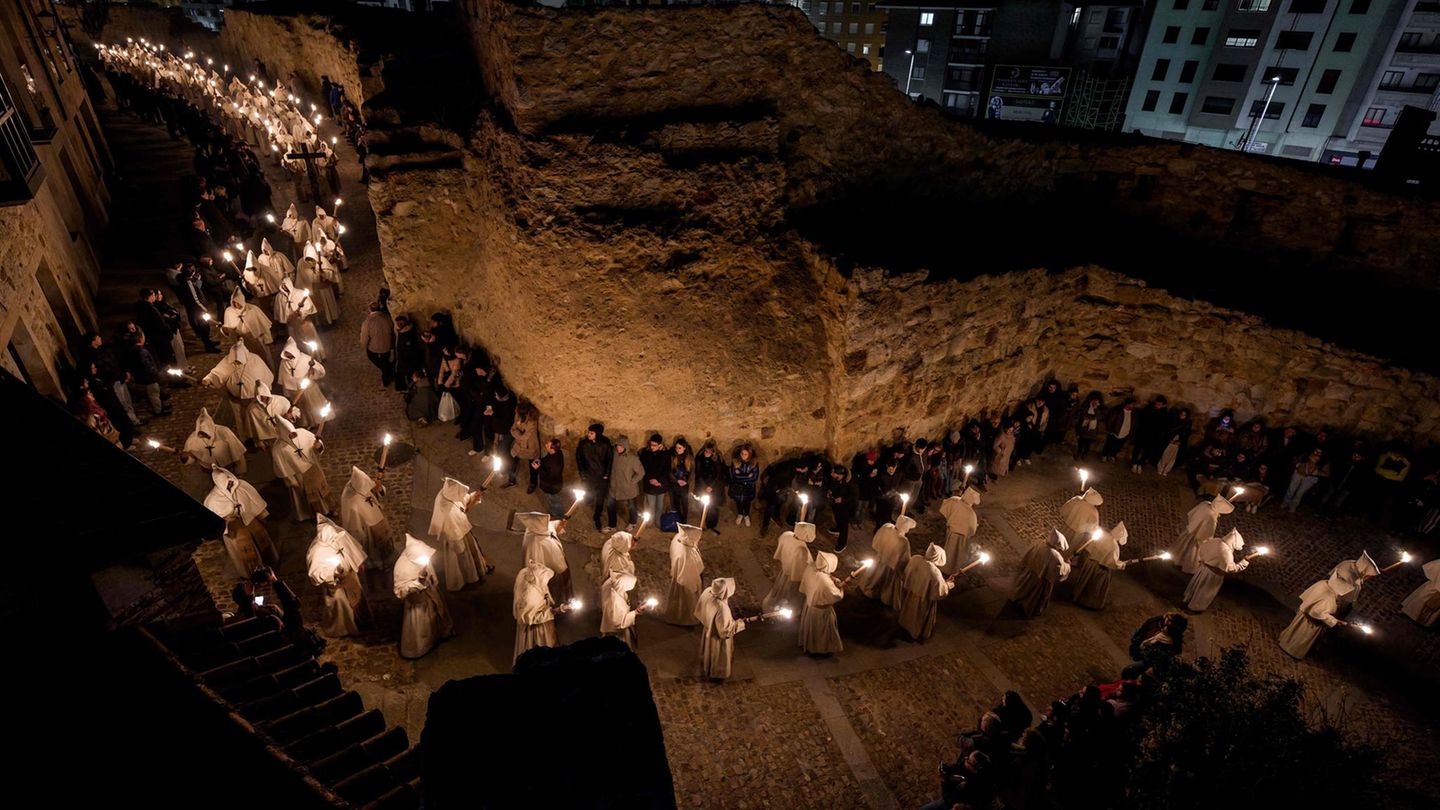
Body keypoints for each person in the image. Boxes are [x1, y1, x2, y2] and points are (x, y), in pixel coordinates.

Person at [203, 466, 278, 578]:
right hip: (234, 527)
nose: (230, 486)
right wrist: (225, 524)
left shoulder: (241, 485)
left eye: (230, 483)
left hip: (250, 519)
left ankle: (270, 565)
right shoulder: (212, 500)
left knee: (262, 542)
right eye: (227, 485)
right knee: (245, 551)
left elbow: (254, 500)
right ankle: (251, 573)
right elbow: (213, 522)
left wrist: (262, 515)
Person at [201, 342, 276, 445]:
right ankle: (247, 438)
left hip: (255, 398)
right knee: (241, 419)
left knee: (258, 419)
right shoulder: (229, 361)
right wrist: (208, 379)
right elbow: (218, 372)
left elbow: (264, 374)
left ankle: (262, 437)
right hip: (237, 399)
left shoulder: (255, 359)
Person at [307, 515, 369, 638]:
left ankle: (362, 621)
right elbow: (315, 574)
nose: (335, 540)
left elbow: (351, 548)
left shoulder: (338, 536)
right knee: (342, 604)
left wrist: (358, 561)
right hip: (336, 585)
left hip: (350, 577)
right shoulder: (316, 551)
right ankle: (344, 628)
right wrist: (333, 573)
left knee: (358, 596)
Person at [393, 534, 454, 659]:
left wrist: (431, 580)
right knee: (421, 627)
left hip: (430, 594)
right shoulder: (402, 568)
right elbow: (400, 591)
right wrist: (418, 583)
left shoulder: (421, 558)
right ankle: (421, 648)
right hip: (417, 603)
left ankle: (438, 634)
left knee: (435, 614)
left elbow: (430, 572)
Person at [428, 477, 490, 591]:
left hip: (462, 532)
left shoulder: (448, 493)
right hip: (456, 538)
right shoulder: (446, 510)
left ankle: (477, 572)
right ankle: (468, 580)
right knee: (463, 561)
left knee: (471, 554)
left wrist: (474, 496)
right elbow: (452, 532)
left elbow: (463, 500)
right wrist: (459, 547)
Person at [1279, 570, 1354, 659]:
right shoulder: (1329, 597)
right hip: (1311, 623)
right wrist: (1336, 621)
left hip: (1303, 615)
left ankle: (1285, 642)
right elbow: (1319, 613)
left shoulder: (1323, 583)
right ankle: (1292, 650)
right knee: (1301, 637)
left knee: (1294, 631)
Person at [340, 465, 394, 568]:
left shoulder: (361, 484)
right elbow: (353, 522)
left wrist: (379, 489)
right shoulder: (350, 499)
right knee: (372, 546)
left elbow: (375, 490)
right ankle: (376, 563)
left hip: (376, 516)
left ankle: (385, 558)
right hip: (366, 527)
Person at [1183, 529, 1249, 612]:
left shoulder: (1215, 540)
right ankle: (1195, 607)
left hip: (1204, 569)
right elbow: (1230, 569)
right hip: (1213, 576)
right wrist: (1245, 561)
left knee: (1197, 586)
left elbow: (1202, 548)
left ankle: (1187, 599)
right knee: (1204, 592)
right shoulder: (1226, 552)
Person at [898, 544, 953, 642]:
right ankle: (915, 633)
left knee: (908, 611)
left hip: (911, 593)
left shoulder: (916, 559)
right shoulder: (934, 572)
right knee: (918, 616)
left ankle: (904, 624)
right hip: (923, 599)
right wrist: (948, 584)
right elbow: (940, 592)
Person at [1070, 521, 1129, 610]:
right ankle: (1088, 603)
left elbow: (1090, 547)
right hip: (1100, 568)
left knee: (1084, 580)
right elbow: (1112, 562)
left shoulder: (1103, 536)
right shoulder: (1113, 545)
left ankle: (1077, 596)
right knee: (1094, 586)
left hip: (1090, 563)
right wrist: (1122, 564)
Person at [1010, 529, 1069, 618]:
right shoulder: (1056, 556)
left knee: (1023, 589)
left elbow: (1028, 554)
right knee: (1032, 597)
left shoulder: (1039, 544)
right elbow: (1058, 572)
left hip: (1029, 574)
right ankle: (1027, 609)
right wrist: (1067, 566)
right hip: (1040, 582)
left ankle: (1017, 600)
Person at [859, 514, 915, 607]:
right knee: (882, 580)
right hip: (889, 565)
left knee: (873, 575)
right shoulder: (904, 541)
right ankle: (876, 594)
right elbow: (904, 559)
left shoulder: (887, 527)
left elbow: (877, 539)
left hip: (879, 558)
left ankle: (868, 589)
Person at [696, 577, 746, 680]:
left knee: (708, 651)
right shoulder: (721, 607)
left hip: (708, 629)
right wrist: (740, 623)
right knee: (718, 654)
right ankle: (717, 673)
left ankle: (707, 666)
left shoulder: (707, 592)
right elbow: (725, 631)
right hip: (716, 635)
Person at [276, 337, 330, 429]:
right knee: (303, 409)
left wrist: (313, 371)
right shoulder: (284, 363)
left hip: (308, 389)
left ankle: (319, 420)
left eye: (289, 352)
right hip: (295, 391)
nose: (287, 355)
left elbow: (320, 370)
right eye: (286, 353)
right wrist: (287, 389)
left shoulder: (305, 358)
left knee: (313, 405)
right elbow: (284, 377)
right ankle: (308, 422)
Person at [798, 551, 845, 655]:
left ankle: (811, 645)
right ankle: (820, 649)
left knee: (811, 628)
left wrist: (832, 579)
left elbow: (823, 577)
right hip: (821, 611)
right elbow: (836, 595)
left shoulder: (811, 567)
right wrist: (840, 587)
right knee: (821, 632)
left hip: (810, 606)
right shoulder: (825, 582)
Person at [520, 511, 572, 603]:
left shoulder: (533, 529)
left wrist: (563, 521)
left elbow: (554, 527)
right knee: (547, 586)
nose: (549, 520)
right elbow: (559, 563)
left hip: (542, 570)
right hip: (540, 572)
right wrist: (564, 570)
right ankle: (566, 598)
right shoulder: (540, 541)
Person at [513, 560, 558, 664]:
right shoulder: (530, 597)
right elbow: (531, 618)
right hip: (536, 629)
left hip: (540, 621)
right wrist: (557, 610)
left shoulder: (531, 580)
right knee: (538, 651)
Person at [763, 521, 815, 611]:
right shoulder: (802, 549)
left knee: (781, 587)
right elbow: (802, 566)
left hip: (785, 568)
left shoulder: (787, 534)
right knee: (789, 592)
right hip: (793, 574)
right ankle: (785, 607)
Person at [181, 407, 247, 477]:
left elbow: (236, 451)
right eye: (202, 433)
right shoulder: (193, 439)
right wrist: (186, 456)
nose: (204, 434)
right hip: (211, 469)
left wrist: (239, 469)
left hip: (229, 465)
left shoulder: (223, 431)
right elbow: (187, 454)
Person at [1174, 495, 1233, 574]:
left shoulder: (1205, 504)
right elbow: (1207, 532)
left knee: (1182, 546)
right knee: (1192, 553)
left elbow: (1193, 514)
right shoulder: (1211, 517)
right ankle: (1187, 567)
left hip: (1190, 530)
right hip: (1198, 537)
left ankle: (1176, 559)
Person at [220, 289, 274, 372]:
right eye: (233, 302)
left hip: (258, 339)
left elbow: (264, 326)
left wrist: (267, 339)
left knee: (265, 357)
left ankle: (270, 372)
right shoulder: (229, 311)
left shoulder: (253, 309)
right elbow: (227, 327)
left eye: (237, 302)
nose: (235, 304)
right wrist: (225, 330)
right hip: (242, 341)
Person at [921, 751, 994, 810]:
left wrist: (944, 779)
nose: (965, 758)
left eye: (968, 759)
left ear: (974, 769)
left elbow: (950, 797)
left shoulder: (974, 786)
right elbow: (955, 769)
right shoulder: (968, 769)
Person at [664, 524, 705, 626]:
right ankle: (686, 620)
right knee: (686, 601)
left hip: (679, 575)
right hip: (685, 582)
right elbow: (687, 580)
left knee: (676, 599)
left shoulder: (678, 538)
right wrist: (695, 585)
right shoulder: (685, 556)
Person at [576, 423, 613, 532]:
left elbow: (609, 460)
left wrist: (606, 474)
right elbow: (579, 459)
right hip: (589, 476)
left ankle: (597, 515)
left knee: (600, 497)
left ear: (597, 434)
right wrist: (582, 473)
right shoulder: (584, 444)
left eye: (591, 433)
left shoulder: (605, 444)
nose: (588, 434)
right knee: (589, 492)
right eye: (589, 432)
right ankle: (589, 502)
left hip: (601, 476)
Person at [938, 487, 981, 576]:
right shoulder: (971, 513)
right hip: (961, 536)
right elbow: (972, 530)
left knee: (949, 550)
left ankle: (945, 565)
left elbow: (944, 509)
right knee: (956, 553)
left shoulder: (954, 500)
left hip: (951, 531)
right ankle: (951, 569)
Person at [600, 572, 648, 650]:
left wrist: (637, 609)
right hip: (618, 635)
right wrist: (635, 613)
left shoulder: (618, 592)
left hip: (621, 632)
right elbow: (618, 623)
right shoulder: (615, 601)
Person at [606, 434, 643, 530]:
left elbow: (641, 473)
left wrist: (631, 482)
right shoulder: (614, 455)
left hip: (628, 488)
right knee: (610, 506)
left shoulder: (632, 459)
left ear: (625, 447)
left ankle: (632, 523)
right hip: (614, 487)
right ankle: (612, 525)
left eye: (621, 446)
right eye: (617, 446)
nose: (618, 448)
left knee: (632, 507)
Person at [359, 301, 395, 387]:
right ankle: (388, 372)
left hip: (374, 348)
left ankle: (387, 373)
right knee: (385, 361)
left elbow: (364, 336)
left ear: (370, 310)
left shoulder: (368, 322)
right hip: (387, 345)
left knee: (373, 358)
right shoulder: (387, 318)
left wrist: (363, 345)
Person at [693, 440, 726, 533]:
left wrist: (711, 486)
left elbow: (719, 474)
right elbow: (698, 474)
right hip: (702, 487)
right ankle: (703, 523)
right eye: (706, 451)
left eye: (709, 451)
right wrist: (705, 486)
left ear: (713, 452)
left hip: (714, 488)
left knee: (713, 507)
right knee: (702, 506)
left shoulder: (717, 459)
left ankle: (711, 525)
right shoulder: (700, 458)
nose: (707, 453)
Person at [1281, 447, 1328, 511]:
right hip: (1298, 473)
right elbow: (1295, 459)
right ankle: (1285, 503)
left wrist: (1318, 473)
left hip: (1310, 478)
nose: (1317, 453)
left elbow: (1326, 473)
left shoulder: (1324, 461)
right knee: (1291, 489)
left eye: (1319, 452)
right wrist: (1296, 464)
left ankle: (1293, 506)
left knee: (1300, 493)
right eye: (1316, 451)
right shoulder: (1306, 454)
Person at [639, 433, 672, 521]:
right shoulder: (645, 453)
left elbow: (667, 470)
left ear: (660, 445)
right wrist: (651, 479)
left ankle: (658, 521)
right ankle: (649, 521)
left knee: (660, 505)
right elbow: (643, 468)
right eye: (651, 444)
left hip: (661, 484)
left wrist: (658, 480)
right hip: (649, 483)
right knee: (651, 505)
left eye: (654, 445)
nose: (652, 447)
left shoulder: (666, 454)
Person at [1400, 558, 1440, 627]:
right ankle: (1408, 612)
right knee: (1421, 597)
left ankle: (1423, 621)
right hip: (1434, 585)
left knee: (1432, 604)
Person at [509, 403, 541, 489]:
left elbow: (524, 436)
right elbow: (512, 429)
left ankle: (533, 483)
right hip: (519, 444)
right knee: (513, 460)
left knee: (533, 465)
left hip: (530, 446)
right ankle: (511, 480)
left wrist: (517, 433)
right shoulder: (519, 415)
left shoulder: (532, 423)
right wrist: (518, 433)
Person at [729, 444, 760, 527]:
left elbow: (754, 478)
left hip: (748, 488)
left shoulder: (754, 463)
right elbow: (734, 477)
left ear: (749, 455)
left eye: (746, 454)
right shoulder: (735, 462)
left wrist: (741, 476)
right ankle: (740, 514)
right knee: (738, 502)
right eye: (742, 453)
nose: (743, 456)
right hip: (737, 488)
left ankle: (746, 515)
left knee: (747, 502)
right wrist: (747, 476)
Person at [392, 314, 423, 393]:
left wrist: (403, 361)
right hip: (403, 360)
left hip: (407, 361)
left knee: (408, 376)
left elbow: (409, 350)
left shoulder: (407, 335)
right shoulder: (403, 332)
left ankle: (409, 390)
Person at [669, 437, 694, 522]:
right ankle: (678, 517)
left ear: (684, 448)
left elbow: (692, 472)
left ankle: (684, 520)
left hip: (684, 485)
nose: (677, 449)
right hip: (675, 484)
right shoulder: (673, 457)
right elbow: (669, 471)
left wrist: (686, 482)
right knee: (676, 501)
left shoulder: (689, 458)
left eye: (679, 448)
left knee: (684, 502)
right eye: (676, 447)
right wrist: (676, 481)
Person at [1073, 392, 1104, 460]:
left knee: (1088, 444)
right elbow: (1081, 415)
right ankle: (1079, 453)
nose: (1095, 402)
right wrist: (1092, 417)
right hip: (1083, 428)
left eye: (1097, 401)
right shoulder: (1085, 406)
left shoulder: (1100, 409)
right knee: (1081, 442)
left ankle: (1085, 454)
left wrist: (1095, 409)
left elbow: (1099, 417)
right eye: (1094, 400)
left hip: (1092, 430)